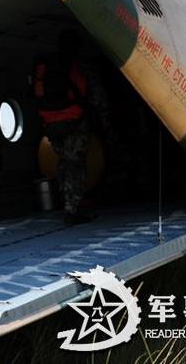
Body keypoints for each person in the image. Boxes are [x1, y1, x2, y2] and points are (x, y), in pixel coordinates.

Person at [33, 28, 105, 225]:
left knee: (64, 160)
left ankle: (65, 201)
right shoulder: (79, 65)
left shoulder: (47, 64)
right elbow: (96, 95)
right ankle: (72, 210)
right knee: (76, 164)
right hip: (73, 121)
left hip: (51, 124)